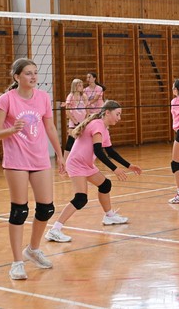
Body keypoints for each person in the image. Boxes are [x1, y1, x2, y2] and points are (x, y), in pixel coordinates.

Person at [0, 58, 66, 280]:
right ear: (17, 77)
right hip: (16, 161)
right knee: (20, 211)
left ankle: (33, 249)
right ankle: (16, 262)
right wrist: (12, 129)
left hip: (40, 159)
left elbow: (50, 127)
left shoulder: (43, 97)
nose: (33, 77)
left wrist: (60, 155)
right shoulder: (6, 100)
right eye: (28, 73)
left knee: (46, 209)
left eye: (35, 73)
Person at [45, 100, 141, 243]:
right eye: (117, 114)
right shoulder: (97, 125)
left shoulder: (104, 129)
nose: (119, 118)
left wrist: (129, 165)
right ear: (107, 112)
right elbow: (98, 151)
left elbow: (110, 152)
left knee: (105, 185)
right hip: (77, 164)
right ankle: (55, 230)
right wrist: (115, 169)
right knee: (81, 199)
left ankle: (109, 216)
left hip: (86, 164)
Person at [61, 78, 88, 160]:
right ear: (75, 86)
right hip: (74, 123)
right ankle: (65, 162)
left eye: (82, 85)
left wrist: (85, 121)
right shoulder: (70, 96)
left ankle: (81, 160)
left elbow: (87, 111)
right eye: (79, 85)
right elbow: (67, 112)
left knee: (83, 142)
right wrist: (75, 122)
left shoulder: (84, 96)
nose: (81, 87)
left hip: (82, 122)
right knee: (71, 141)